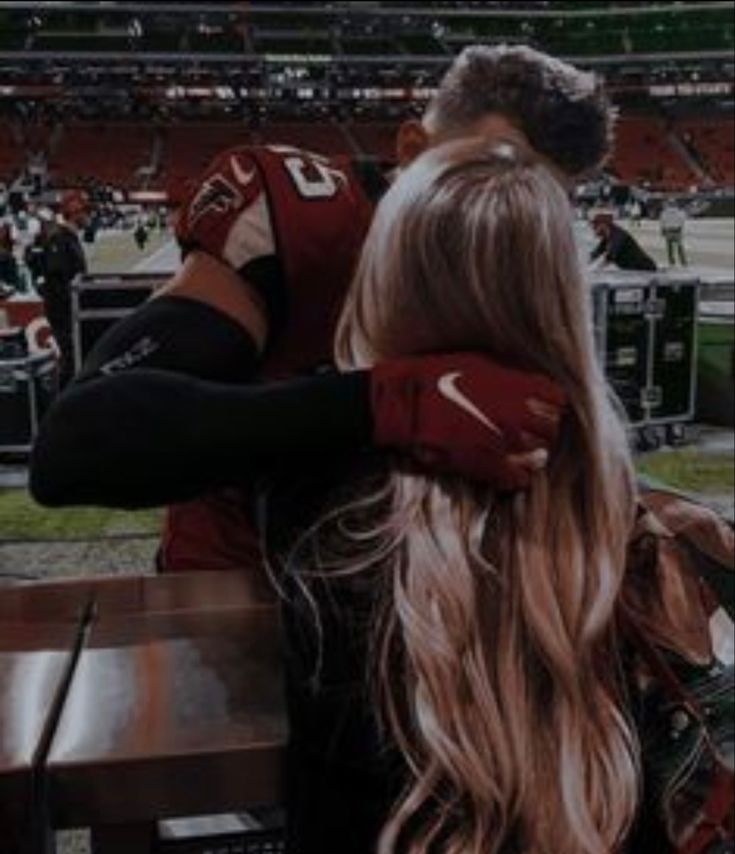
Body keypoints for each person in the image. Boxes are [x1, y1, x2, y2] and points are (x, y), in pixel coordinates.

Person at [30, 141, 733, 854]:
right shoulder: (682, 537)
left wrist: (366, 406)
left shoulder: (311, 495)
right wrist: (382, 403)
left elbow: (82, 447)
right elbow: (80, 446)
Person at [32, 44, 615, 574]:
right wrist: (391, 403)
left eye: (549, 201)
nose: (514, 211)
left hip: (433, 604)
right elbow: (78, 444)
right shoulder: (306, 221)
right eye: (487, 172)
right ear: (412, 151)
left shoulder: (530, 268)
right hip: (242, 592)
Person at [36, 192, 88, 388]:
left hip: (69, 311)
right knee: (71, 361)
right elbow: (58, 280)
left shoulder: (69, 238)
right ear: (75, 212)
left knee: (74, 360)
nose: (88, 216)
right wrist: (73, 310)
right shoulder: (60, 239)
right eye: (85, 211)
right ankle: (63, 407)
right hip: (64, 312)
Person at [589, 210, 657, 272]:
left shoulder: (618, 235)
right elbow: (595, 253)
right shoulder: (607, 238)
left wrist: (595, 271)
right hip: (634, 271)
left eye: (596, 226)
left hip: (645, 270)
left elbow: (610, 257)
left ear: (604, 225)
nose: (594, 229)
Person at [660, 199, 689, 267]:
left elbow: (662, 222)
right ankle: (683, 261)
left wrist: (663, 230)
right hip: (677, 231)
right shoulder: (680, 212)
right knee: (680, 247)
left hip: (668, 231)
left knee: (669, 248)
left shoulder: (664, 212)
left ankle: (671, 261)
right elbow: (682, 221)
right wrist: (681, 229)